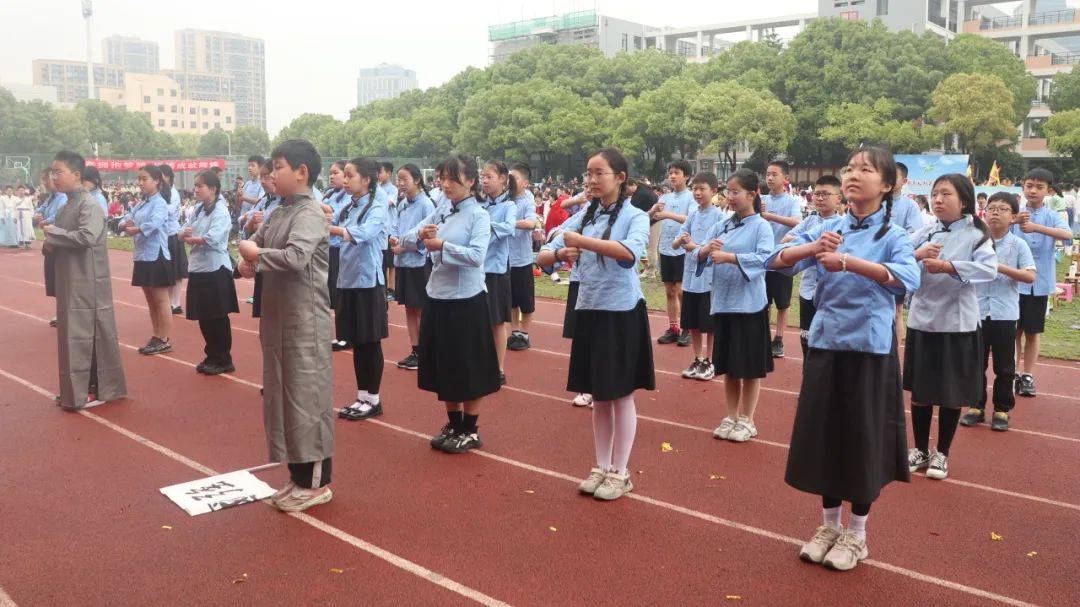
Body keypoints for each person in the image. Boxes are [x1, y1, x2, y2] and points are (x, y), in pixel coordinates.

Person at [769, 146, 920, 573]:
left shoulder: (893, 235)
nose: (854, 175)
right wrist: (811, 247)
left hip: (869, 349)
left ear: (887, 184)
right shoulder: (826, 225)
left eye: (866, 170)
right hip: (826, 342)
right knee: (826, 434)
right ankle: (828, 526)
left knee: (862, 437)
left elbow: (909, 279)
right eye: (850, 168)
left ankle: (858, 533)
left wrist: (850, 262)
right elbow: (776, 262)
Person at [537, 148, 653, 501]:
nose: (591, 179)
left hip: (621, 312)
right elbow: (542, 254)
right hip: (589, 308)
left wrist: (581, 243)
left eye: (599, 172)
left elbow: (630, 253)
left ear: (620, 177)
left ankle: (621, 472)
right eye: (588, 173)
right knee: (599, 396)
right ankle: (601, 466)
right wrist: (560, 254)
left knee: (620, 394)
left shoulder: (636, 216)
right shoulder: (582, 217)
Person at [237, 139, 334, 512]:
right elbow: (252, 243)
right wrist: (247, 259)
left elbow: (294, 258)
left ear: (301, 172)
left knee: (307, 399)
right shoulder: (280, 211)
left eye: (276, 167)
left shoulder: (308, 213)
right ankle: (297, 476)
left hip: (303, 319)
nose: (270, 175)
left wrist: (257, 255)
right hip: (279, 318)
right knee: (284, 398)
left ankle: (316, 482)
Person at [401, 154, 501, 454]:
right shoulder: (442, 209)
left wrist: (443, 245)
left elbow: (476, 256)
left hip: (467, 301)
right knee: (445, 365)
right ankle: (453, 423)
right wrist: (420, 235)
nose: (445, 184)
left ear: (470, 181)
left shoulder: (479, 216)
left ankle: (470, 428)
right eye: (442, 178)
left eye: (452, 178)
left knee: (468, 366)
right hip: (438, 297)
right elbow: (405, 238)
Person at [905, 174, 997, 481]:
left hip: (956, 323)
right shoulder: (925, 231)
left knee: (949, 391)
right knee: (920, 391)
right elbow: (899, 257)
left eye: (946, 194)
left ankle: (942, 452)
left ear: (965, 201)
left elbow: (988, 269)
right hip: (922, 318)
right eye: (935, 194)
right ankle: (918, 449)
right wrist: (917, 255)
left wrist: (949, 266)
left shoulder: (976, 235)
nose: (938, 200)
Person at [42, 151, 126, 410]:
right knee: (71, 335)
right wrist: (51, 243)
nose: (54, 177)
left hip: (87, 281)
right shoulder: (67, 204)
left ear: (76, 175)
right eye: (52, 172)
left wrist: (53, 235)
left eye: (59, 172)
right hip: (71, 280)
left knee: (88, 335)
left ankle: (95, 388)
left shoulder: (89, 205)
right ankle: (75, 388)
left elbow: (87, 237)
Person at [697, 169, 775, 443]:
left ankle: (748, 419)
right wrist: (705, 251)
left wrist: (729, 257)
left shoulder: (761, 227)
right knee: (728, 367)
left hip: (750, 307)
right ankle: (730, 416)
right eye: (727, 191)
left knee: (750, 368)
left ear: (752, 194)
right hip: (724, 304)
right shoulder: (723, 224)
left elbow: (766, 259)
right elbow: (701, 253)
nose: (729, 197)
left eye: (735, 192)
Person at [962, 192, 1035, 432]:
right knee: (975, 363)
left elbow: (1029, 275)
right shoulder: (975, 241)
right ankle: (976, 405)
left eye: (1002, 209)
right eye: (991, 208)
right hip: (977, 311)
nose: (995, 212)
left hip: (1004, 313)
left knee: (1005, 366)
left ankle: (1002, 409)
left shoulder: (1018, 244)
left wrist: (998, 267)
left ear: (1013, 216)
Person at [332, 158, 390, 422]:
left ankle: (373, 399)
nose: (345, 180)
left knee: (369, 342)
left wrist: (331, 228)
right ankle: (362, 396)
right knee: (356, 342)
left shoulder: (377, 207)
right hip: (348, 281)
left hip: (367, 283)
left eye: (349, 175)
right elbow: (335, 230)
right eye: (344, 175)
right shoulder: (348, 206)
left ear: (366, 179)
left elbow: (364, 234)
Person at [1012, 168, 1073, 397]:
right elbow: (993, 228)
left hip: (1039, 282)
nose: (1033, 190)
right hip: (1014, 281)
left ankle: (1027, 375)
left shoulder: (1053, 215)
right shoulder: (1016, 212)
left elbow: (1067, 235)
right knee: (1013, 331)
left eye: (1039, 187)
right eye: (1029, 185)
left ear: (1048, 190)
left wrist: (1036, 228)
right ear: (1022, 187)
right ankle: (1012, 372)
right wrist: (1013, 221)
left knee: (1033, 331)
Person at [180, 170, 238, 375]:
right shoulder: (198, 209)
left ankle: (223, 358)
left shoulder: (220, 211)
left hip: (215, 268)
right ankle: (211, 355)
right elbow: (185, 228)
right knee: (204, 316)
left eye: (200, 186)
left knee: (217, 316)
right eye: (195, 185)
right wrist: (186, 235)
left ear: (212, 189)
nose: (195, 189)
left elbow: (212, 238)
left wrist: (192, 238)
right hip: (198, 266)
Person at [782, 175, 843, 357]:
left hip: (832, 291)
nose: (820, 198)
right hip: (808, 287)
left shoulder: (843, 225)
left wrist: (804, 243)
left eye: (825, 194)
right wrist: (812, 243)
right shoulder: (810, 221)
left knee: (828, 340)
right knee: (806, 337)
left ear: (838, 198)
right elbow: (786, 240)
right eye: (817, 194)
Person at [671, 172, 724, 380]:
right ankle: (697, 358)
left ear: (714, 191)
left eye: (703, 189)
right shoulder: (693, 214)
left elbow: (715, 247)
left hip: (709, 279)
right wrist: (681, 241)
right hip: (691, 278)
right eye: (695, 189)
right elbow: (676, 242)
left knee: (709, 324)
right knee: (692, 322)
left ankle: (710, 360)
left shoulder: (719, 216)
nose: (698, 193)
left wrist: (692, 245)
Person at [120, 165, 174, 355]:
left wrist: (136, 228)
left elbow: (155, 223)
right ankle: (156, 335)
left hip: (156, 255)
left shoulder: (159, 203)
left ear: (157, 181)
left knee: (161, 300)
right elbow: (127, 217)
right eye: (139, 179)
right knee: (151, 300)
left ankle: (164, 338)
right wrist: (124, 223)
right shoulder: (142, 203)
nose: (140, 183)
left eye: (144, 179)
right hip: (142, 255)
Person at [389, 164, 435, 370]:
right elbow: (396, 228)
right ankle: (415, 349)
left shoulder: (426, 204)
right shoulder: (402, 204)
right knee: (409, 307)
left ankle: (428, 350)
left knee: (422, 308)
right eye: (398, 179)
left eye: (404, 179)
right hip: (403, 263)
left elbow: (426, 235)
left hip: (419, 263)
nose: (400, 183)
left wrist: (404, 246)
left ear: (417, 180)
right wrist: (393, 238)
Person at [479, 160, 518, 383]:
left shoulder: (509, 206)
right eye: (482, 176)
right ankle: (484, 365)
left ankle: (499, 369)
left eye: (489, 177)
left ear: (503, 179)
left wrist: (485, 228)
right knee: (479, 321)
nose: (484, 181)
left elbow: (509, 228)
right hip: (478, 269)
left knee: (497, 322)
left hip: (495, 270)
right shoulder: (480, 205)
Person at [760, 161, 802, 358]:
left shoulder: (792, 201)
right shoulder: (761, 199)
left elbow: (797, 223)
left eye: (774, 174)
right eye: (768, 174)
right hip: (762, 259)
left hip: (783, 259)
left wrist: (769, 216)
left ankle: (779, 339)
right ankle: (764, 337)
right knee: (763, 302)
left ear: (785, 178)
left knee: (782, 303)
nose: (769, 178)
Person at [652, 161, 693, 347]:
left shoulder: (691, 197)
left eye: (676, 173)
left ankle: (688, 327)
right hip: (665, 248)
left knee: (681, 291)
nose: (672, 176)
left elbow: (691, 219)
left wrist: (667, 215)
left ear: (686, 176)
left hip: (682, 249)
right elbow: (653, 216)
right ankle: (674, 327)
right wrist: (654, 211)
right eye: (670, 173)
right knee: (669, 291)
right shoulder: (665, 198)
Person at [507, 162, 540, 351]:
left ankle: (525, 334)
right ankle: (514, 332)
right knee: (511, 299)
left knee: (525, 300)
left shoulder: (527, 199)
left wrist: (507, 223)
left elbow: (530, 222)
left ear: (525, 183)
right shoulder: (505, 197)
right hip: (506, 258)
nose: (510, 181)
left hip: (522, 258)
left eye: (514, 178)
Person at [322, 161, 352, 350]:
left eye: (336, 173)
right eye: (330, 173)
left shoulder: (349, 198)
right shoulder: (329, 194)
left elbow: (335, 217)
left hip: (341, 249)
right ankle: (340, 333)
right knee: (330, 293)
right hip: (327, 249)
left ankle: (345, 335)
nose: (332, 176)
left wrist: (325, 212)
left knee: (340, 293)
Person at [34, 169, 68, 326]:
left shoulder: (62, 197)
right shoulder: (51, 198)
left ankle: (65, 313)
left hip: (59, 243)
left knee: (61, 279)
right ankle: (61, 312)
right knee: (53, 279)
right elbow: (39, 210)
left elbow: (59, 217)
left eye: (45, 180)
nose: (44, 183)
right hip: (50, 241)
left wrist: (45, 220)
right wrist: (39, 216)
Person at [159, 165, 188, 315]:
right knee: (166, 271)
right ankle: (169, 302)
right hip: (163, 236)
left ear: (169, 177)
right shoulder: (160, 192)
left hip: (173, 235)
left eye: (162, 175)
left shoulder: (173, 193)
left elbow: (167, 211)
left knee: (177, 272)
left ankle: (175, 303)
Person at [377, 162, 399, 301]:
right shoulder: (377, 188)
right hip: (380, 230)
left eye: (381, 172)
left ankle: (392, 288)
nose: (379, 175)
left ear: (389, 173)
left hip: (389, 230)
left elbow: (388, 203)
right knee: (383, 261)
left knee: (391, 262)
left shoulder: (393, 190)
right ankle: (384, 287)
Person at [237, 155, 266, 219]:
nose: (249, 168)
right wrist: (238, 195)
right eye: (249, 165)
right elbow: (240, 205)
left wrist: (243, 198)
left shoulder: (263, 184)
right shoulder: (247, 183)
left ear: (261, 167)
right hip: (243, 220)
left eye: (253, 165)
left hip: (254, 221)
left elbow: (260, 201)